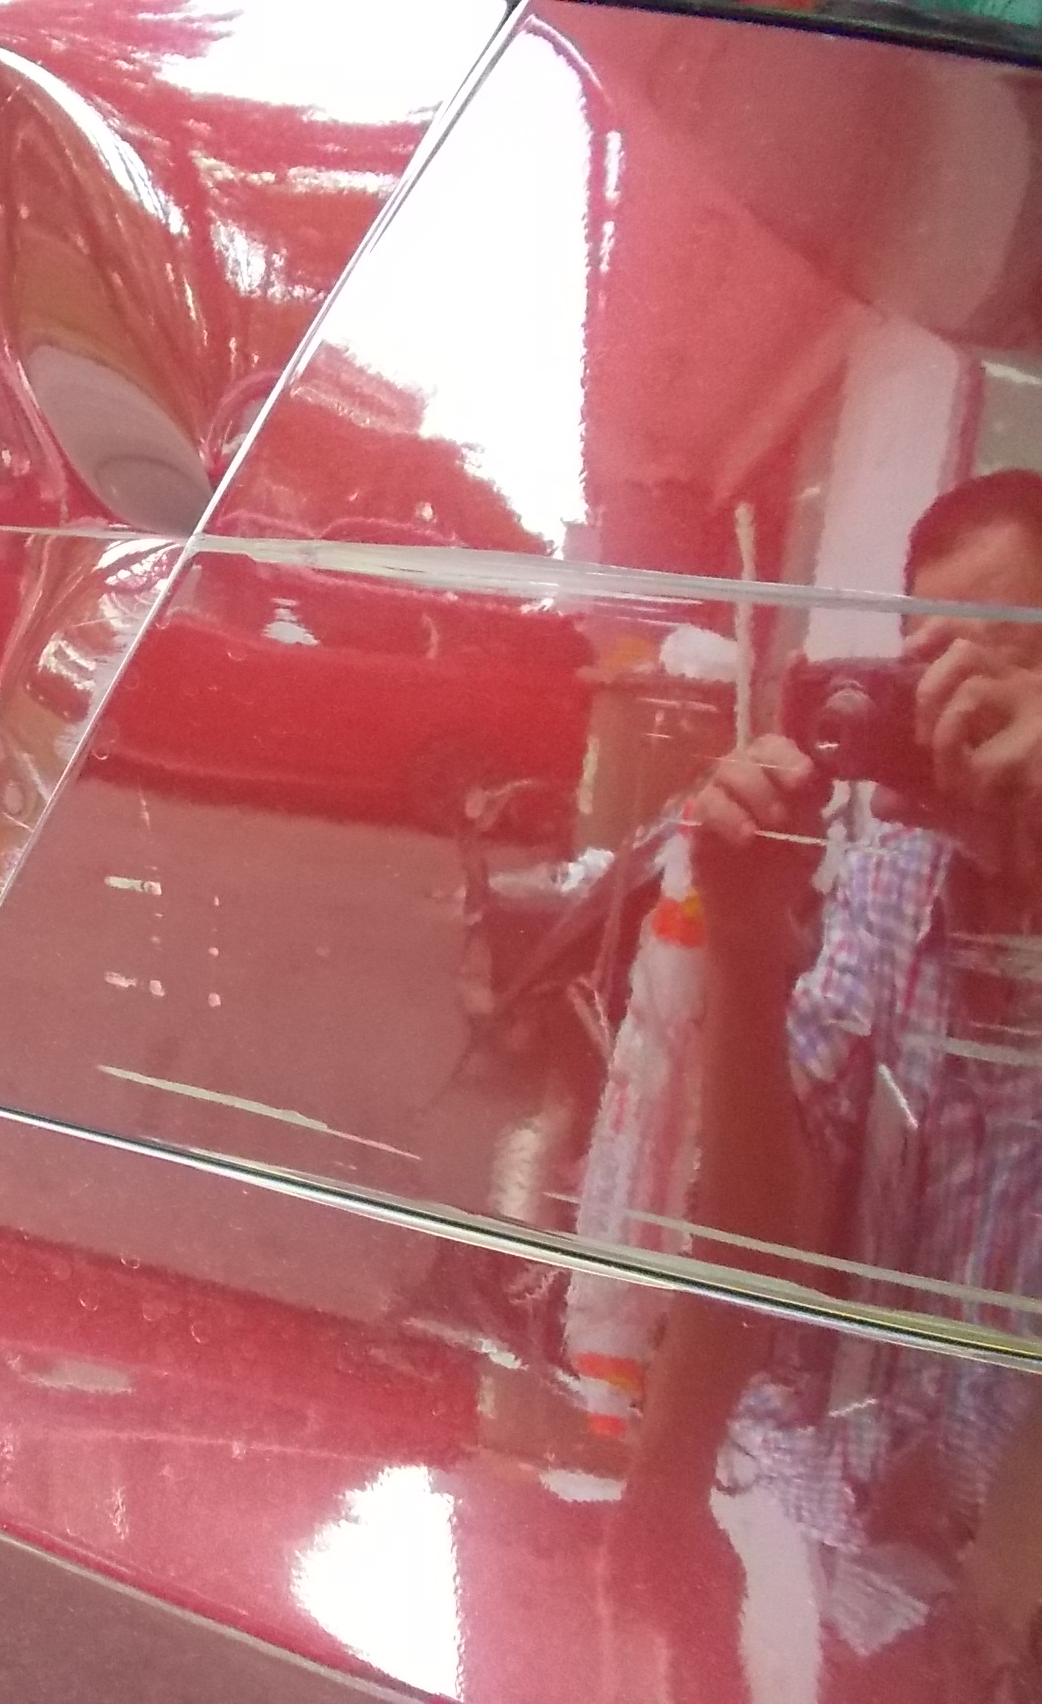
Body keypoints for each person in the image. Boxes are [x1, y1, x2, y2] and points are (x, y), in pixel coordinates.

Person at [616, 470, 1042, 1698]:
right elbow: (762, 1255)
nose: (953, 713)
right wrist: (749, 959)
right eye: (926, 670)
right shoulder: (890, 879)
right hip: (845, 1558)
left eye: (1002, 666)